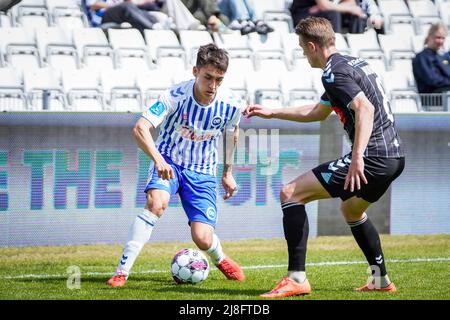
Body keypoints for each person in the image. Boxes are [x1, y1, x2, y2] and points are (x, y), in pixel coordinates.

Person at [243, 17, 405, 297]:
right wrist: (272, 112)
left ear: (311, 45)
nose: (303, 54)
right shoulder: (352, 64)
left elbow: (364, 108)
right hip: (394, 157)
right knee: (351, 211)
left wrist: (357, 157)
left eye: (302, 48)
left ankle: (296, 279)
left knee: (291, 193)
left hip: (374, 156)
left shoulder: (333, 73)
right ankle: (380, 280)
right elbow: (318, 112)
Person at [107, 43, 246, 287]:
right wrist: (158, 159)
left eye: (219, 80)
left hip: (202, 171)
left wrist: (227, 172)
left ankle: (221, 258)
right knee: (155, 204)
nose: (213, 86)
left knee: (202, 238)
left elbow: (232, 134)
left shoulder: (232, 104)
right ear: (195, 71)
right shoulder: (174, 96)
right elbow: (141, 128)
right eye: (208, 77)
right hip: (169, 163)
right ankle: (122, 272)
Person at [412, 22, 450, 94]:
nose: (441, 41)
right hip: (433, 98)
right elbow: (432, 80)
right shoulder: (421, 57)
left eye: (443, 38)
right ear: (430, 36)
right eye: (438, 37)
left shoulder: (441, 57)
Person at [85, 0, 166, 32]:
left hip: (119, 12)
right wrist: (115, 6)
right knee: (126, 6)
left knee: (151, 16)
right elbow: (93, 4)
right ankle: (151, 29)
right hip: (102, 16)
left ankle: (157, 25)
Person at [289, 0, 364, 33]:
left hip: (320, 11)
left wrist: (330, 6)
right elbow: (324, 5)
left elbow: (352, 3)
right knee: (333, 13)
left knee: (356, 14)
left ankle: (356, 45)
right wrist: (326, 6)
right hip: (302, 13)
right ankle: (335, 47)